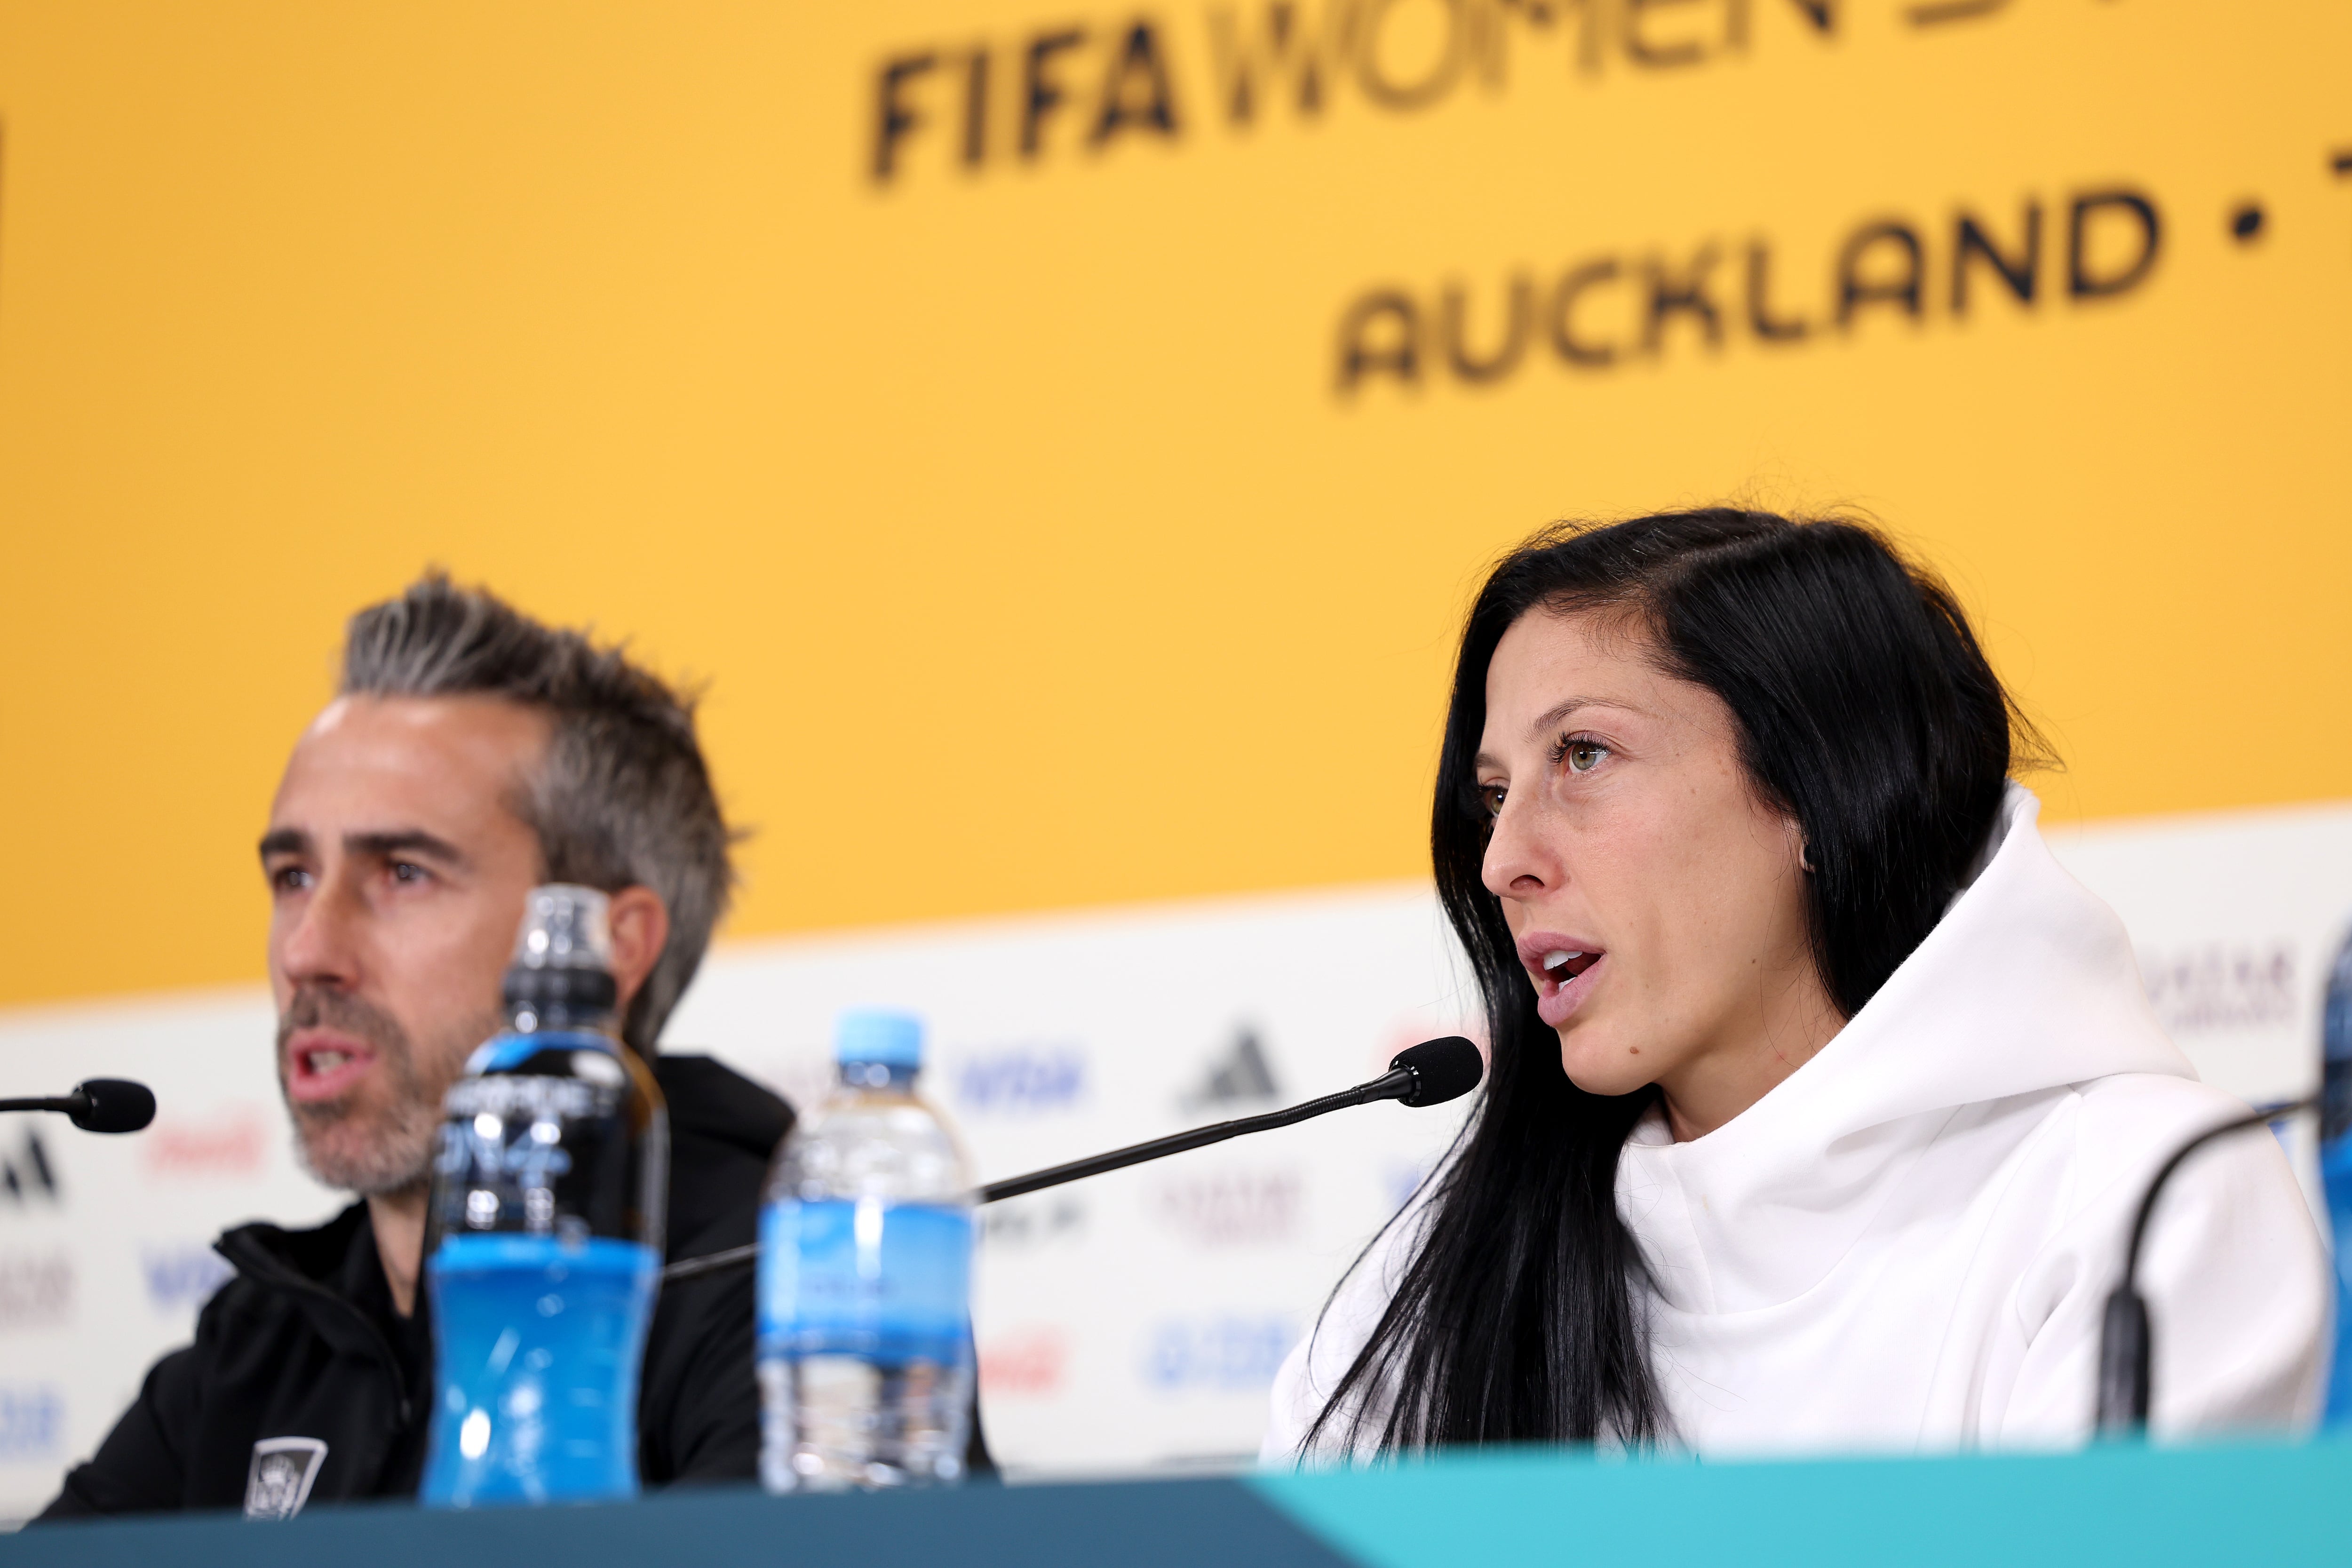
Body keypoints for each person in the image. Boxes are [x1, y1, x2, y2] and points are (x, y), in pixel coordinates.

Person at [1264, 509, 2327, 1460]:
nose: (1503, 861)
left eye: (1582, 755)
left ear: (1819, 791)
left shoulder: (2140, 1198)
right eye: (1495, 795)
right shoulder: (1433, 1277)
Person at [40, 574, 793, 1517]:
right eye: (292, 874)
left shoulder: (790, 1300)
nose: (309, 950)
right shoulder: (262, 1342)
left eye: (402, 872)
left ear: (608, 946)